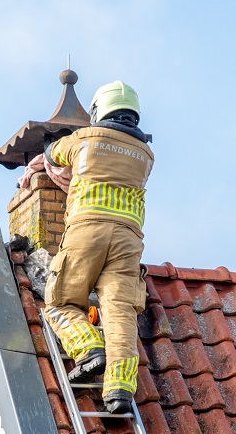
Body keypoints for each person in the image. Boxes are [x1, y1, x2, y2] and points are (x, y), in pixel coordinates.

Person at [20, 80, 153, 413]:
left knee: (61, 301)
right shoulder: (145, 155)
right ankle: (120, 389)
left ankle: (89, 348)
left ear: (98, 111)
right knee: (120, 313)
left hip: (87, 230)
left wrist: (50, 149)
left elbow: (54, 153)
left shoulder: (85, 139)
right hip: (128, 240)